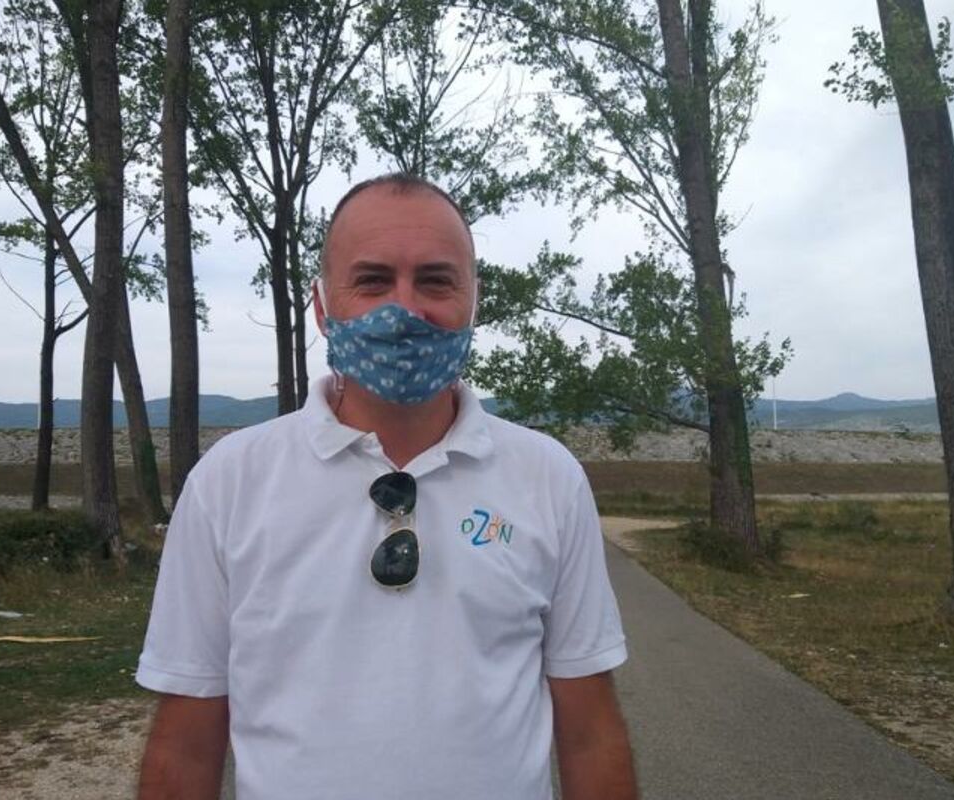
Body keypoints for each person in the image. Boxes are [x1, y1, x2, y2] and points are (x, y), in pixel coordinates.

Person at [135, 173, 636, 800]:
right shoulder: (229, 483)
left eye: (435, 280)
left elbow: (591, 733)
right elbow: (185, 743)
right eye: (372, 281)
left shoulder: (549, 478)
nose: (405, 311)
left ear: (473, 302)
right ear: (322, 307)